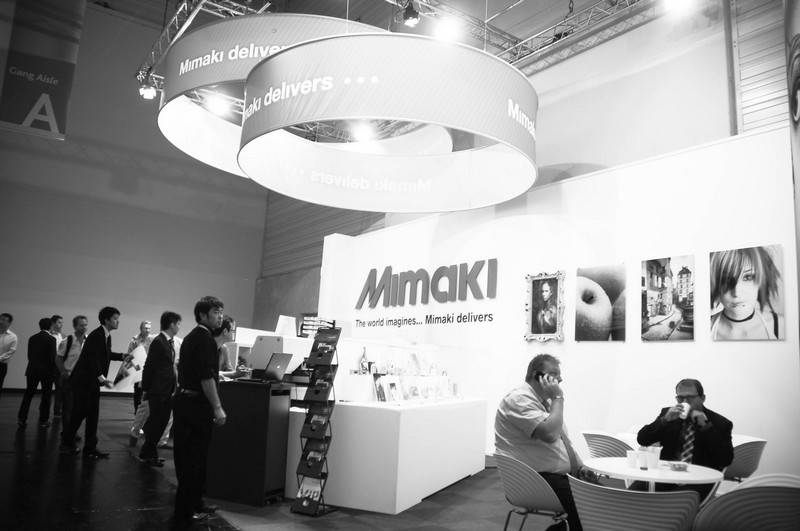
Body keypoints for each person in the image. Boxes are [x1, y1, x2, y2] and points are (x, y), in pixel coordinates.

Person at [495, 353, 596, 531]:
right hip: (535, 479)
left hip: (555, 476)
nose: (560, 379)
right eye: (554, 374)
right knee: (594, 506)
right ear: (537, 376)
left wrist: (580, 466)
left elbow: (563, 440)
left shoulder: (544, 402)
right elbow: (550, 434)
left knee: (606, 501)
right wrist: (558, 398)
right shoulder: (518, 399)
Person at [173, 296, 226, 526]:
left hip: (188, 402)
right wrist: (218, 407)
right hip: (194, 405)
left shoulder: (196, 336)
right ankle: (185, 512)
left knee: (196, 458)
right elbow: (206, 377)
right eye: (215, 312)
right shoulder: (203, 339)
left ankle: (196, 503)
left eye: (221, 312)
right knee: (192, 460)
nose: (220, 316)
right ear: (203, 315)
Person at [636, 378, 733, 499]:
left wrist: (706, 426)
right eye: (680, 398)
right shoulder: (669, 414)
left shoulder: (719, 423)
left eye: (690, 397)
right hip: (666, 476)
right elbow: (642, 439)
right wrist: (665, 420)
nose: (685, 401)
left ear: (702, 398)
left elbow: (725, 459)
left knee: (676, 500)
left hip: (698, 480)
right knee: (635, 491)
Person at [61, 306, 132, 459]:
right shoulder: (96, 335)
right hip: (83, 381)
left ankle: (90, 447)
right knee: (81, 412)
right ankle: (67, 439)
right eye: (115, 319)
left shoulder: (105, 335)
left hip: (91, 382)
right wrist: (102, 379)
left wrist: (122, 356)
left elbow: (105, 355)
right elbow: (92, 358)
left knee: (92, 414)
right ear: (106, 320)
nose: (118, 322)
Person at [709, 245, 784, 340]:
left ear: (761, 281)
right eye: (726, 280)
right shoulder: (701, 328)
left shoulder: (782, 326)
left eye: (748, 277)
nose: (736, 293)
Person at [139, 311, 181, 468]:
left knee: (158, 422)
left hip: (165, 389)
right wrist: (146, 390)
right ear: (171, 324)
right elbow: (149, 366)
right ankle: (151, 455)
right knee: (158, 423)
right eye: (178, 324)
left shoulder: (167, 342)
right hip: (159, 390)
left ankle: (146, 452)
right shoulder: (159, 342)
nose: (179, 327)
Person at [18, 317, 58, 427]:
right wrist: (54, 371)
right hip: (47, 372)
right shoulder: (51, 339)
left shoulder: (32, 338)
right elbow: (52, 357)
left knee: (28, 395)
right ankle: (43, 420)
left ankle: (22, 418)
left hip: (32, 370)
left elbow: (29, 355)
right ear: (50, 326)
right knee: (46, 396)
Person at [55, 315, 89, 440]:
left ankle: (72, 430)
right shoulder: (67, 341)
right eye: (81, 325)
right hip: (69, 377)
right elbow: (58, 358)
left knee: (79, 407)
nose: (83, 327)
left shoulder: (89, 341)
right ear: (75, 326)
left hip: (83, 379)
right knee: (68, 406)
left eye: (85, 325)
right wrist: (63, 372)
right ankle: (67, 432)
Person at [127, 320, 154, 447]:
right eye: (145, 328)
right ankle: (137, 417)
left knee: (146, 396)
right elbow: (130, 356)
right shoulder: (134, 340)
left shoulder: (152, 340)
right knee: (137, 394)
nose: (147, 330)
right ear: (140, 328)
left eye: (149, 328)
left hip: (148, 370)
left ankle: (144, 422)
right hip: (138, 370)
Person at [212, 316, 245, 381]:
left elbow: (229, 371)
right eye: (233, 331)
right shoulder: (205, 347)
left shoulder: (224, 348)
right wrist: (235, 373)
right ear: (225, 331)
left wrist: (237, 372)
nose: (233, 333)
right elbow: (208, 373)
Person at [0, 313, 18, 402]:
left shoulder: (12, 336)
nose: (1, 321)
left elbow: (11, 351)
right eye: (0, 319)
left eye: (4, 320)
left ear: (10, 323)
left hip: (1, 365)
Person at [50, 315, 65, 418]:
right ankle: (43, 409)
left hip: (59, 365)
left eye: (62, 323)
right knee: (47, 388)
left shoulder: (63, 336)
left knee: (59, 388)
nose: (61, 325)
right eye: (59, 322)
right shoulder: (48, 335)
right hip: (49, 364)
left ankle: (57, 409)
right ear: (53, 323)